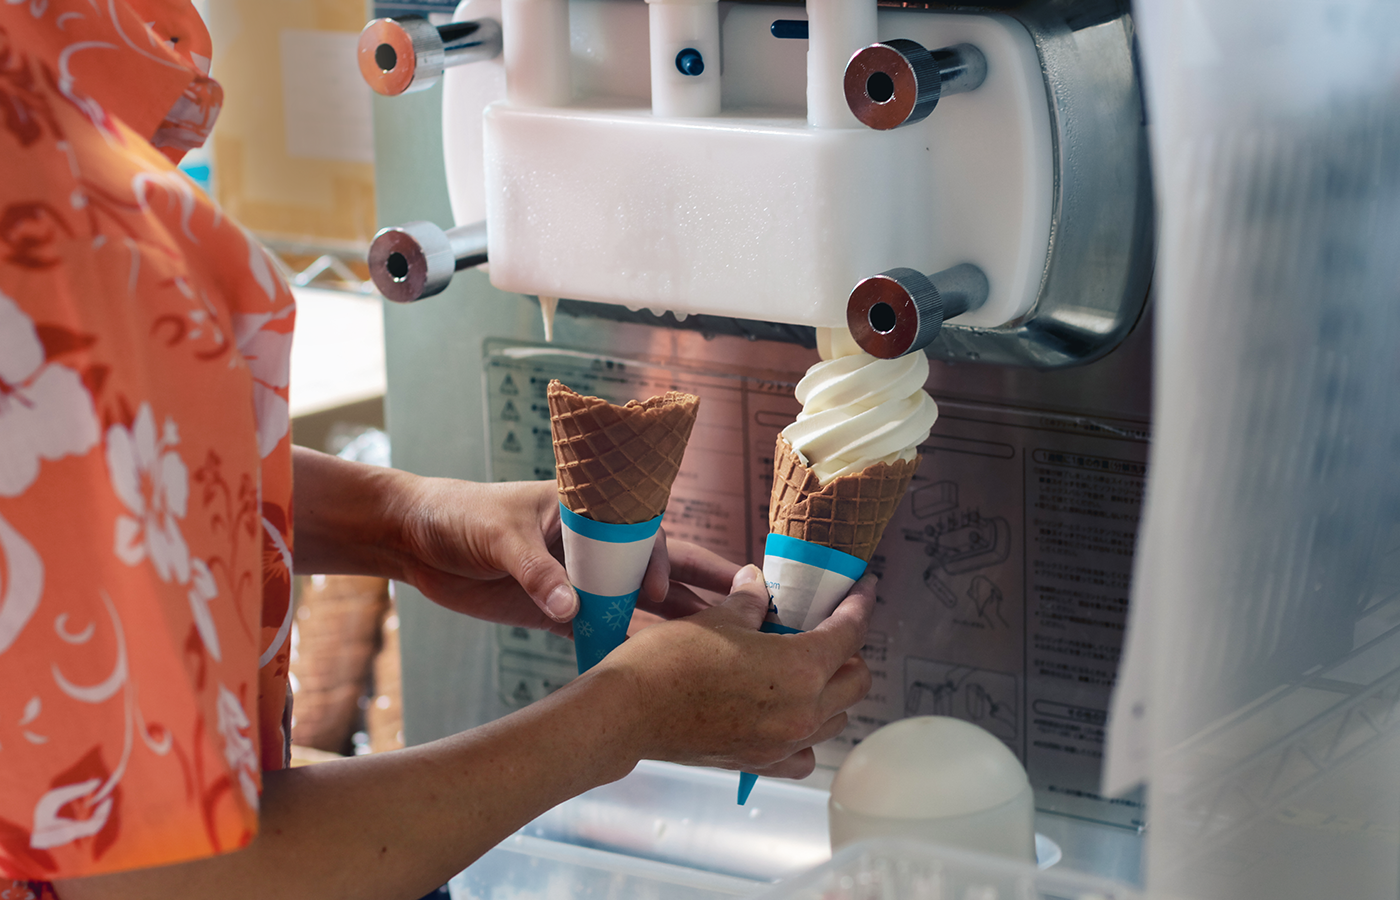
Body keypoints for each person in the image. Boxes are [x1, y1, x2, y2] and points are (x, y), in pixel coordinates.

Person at [0, 2, 876, 898]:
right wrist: (621, 718)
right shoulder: (48, 226)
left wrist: (396, 521)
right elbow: (178, 884)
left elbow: (65, 485)